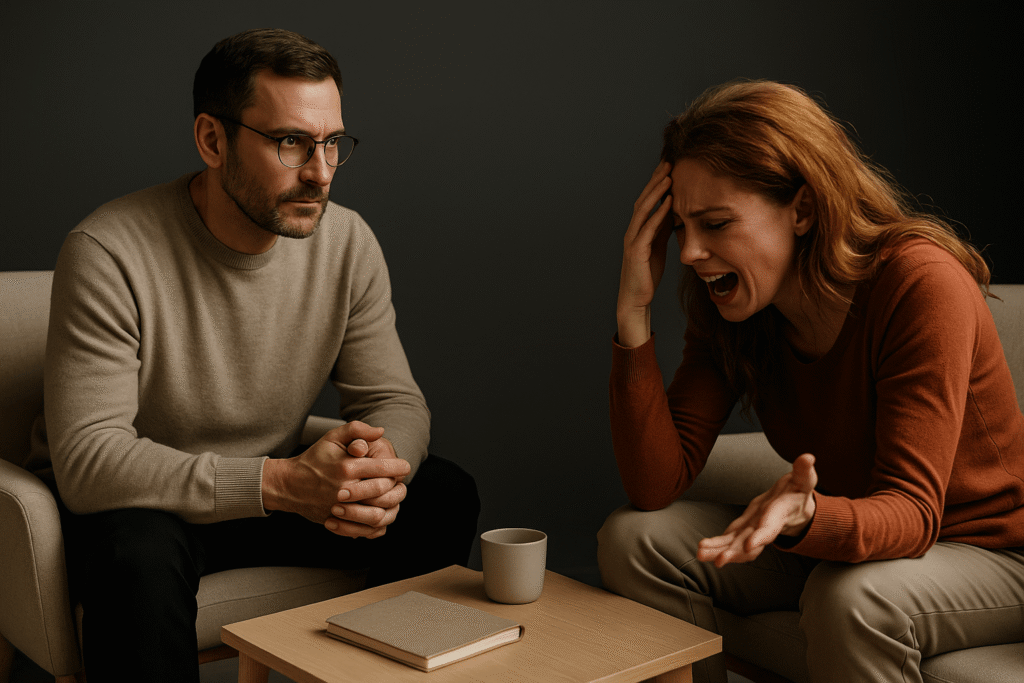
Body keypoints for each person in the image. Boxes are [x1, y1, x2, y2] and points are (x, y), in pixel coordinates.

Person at [32, 28, 479, 683]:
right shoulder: (108, 251)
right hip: (139, 500)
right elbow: (91, 460)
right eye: (291, 142)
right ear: (213, 140)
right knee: (140, 549)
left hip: (267, 495)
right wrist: (283, 483)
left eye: (332, 143)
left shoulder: (347, 242)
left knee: (441, 491)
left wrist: (381, 468)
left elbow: (393, 399)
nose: (320, 172)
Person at [597, 80, 1024, 683]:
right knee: (632, 539)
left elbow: (913, 511)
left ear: (802, 208)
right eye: (680, 229)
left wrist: (806, 517)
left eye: (716, 223)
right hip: (847, 527)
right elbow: (653, 484)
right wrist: (633, 313)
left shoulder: (920, 284)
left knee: (850, 597)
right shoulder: (736, 309)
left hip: (988, 551)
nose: (691, 252)